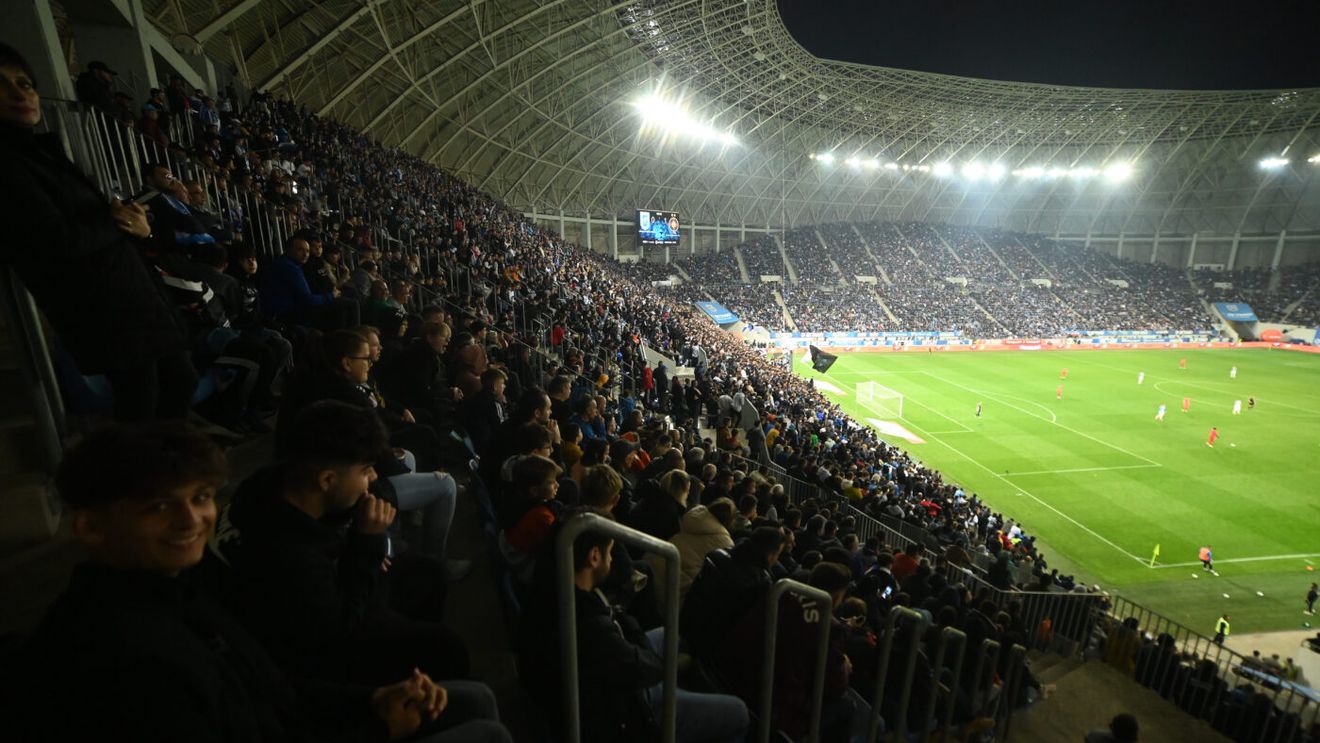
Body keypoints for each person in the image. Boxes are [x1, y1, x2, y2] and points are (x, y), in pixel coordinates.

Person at [6, 421, 509, 742]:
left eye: (201, 497)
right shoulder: (126, 660)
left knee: (476, 699)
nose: (190, 520)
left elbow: (268, 686)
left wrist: (367, 700)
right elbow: (332, 637)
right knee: (486, 728)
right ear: (90, 527)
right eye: (158, 507)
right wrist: (375, 727)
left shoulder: (176, 585)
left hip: (303, 702)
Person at [0, 46, 198, 421]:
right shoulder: (9, 166)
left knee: (179, 381)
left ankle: (167, 454)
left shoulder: (41, 153)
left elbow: (93, 222)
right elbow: (56, 241)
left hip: (128, 294)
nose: (18, 94)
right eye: (1, 86)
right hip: (102, 308)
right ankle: (143, 459)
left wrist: (133, 224)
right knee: (141, 406)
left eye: (24, 83)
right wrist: (119, 220)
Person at [523, 528, 749, 742]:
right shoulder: (592, 626)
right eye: (610, 552)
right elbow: (649, 668)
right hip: (632, 705)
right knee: (740, 713)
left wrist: (618, 616)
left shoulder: (560, 591)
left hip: (616, 672)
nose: (612, 559)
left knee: (671, 634)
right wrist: (623, 619)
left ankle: (684, 692)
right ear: (594, 557)